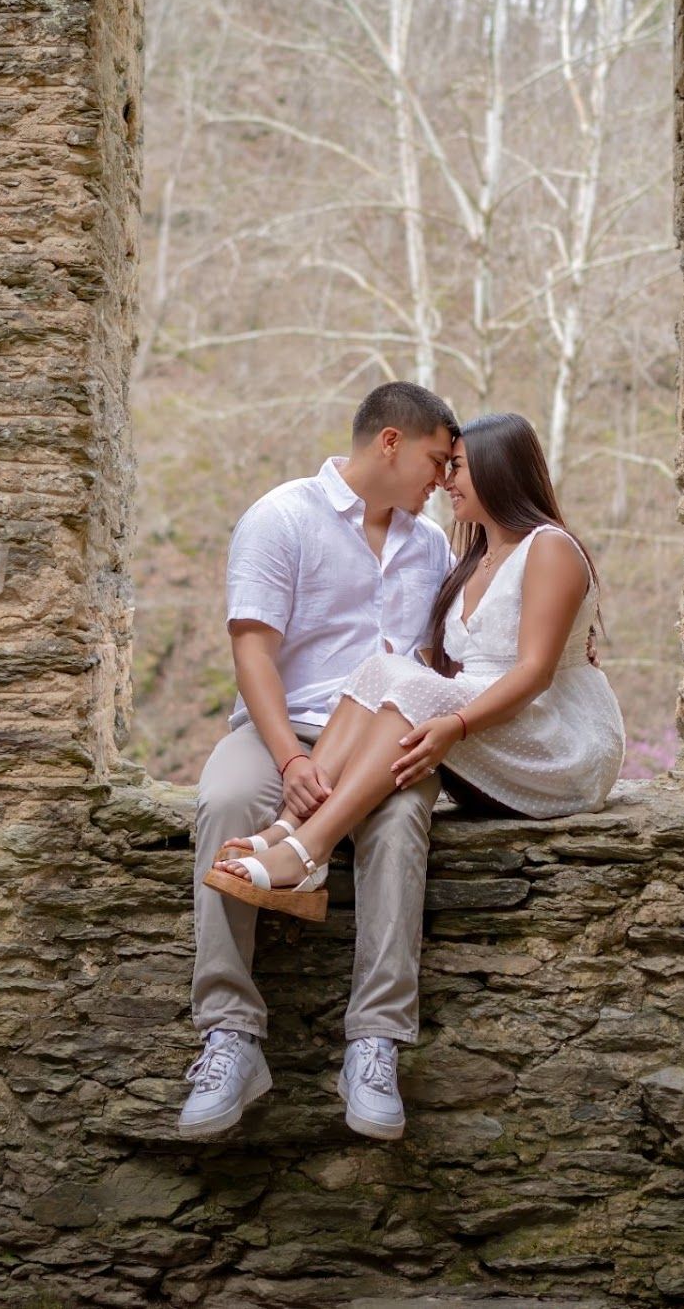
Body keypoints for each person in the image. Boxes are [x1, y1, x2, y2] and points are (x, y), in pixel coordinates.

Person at [204, 409, 627, 1139]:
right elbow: (430, 667)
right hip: (459, 721)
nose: (445, 480)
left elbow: (528, 672)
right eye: (443, 462)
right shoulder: (461, 555)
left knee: (400, 706)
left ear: (496, 469)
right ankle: (282, 841)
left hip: (551, 738)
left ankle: (307, 863)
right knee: (384, 667)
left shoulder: (541, 547)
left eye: (456, 467)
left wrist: (454, 721)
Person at [178, 380, 459, 1144]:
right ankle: (231, 1034)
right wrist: (286, 759)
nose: (442, 479)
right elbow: (253, 650)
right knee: (229, 799)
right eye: (436, 460)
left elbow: (448, 655)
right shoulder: (283, 516)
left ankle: (375, 1041)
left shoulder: (432, 545)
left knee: (402, 818)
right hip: (281, 728)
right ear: (390, 442)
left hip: (381, 742)